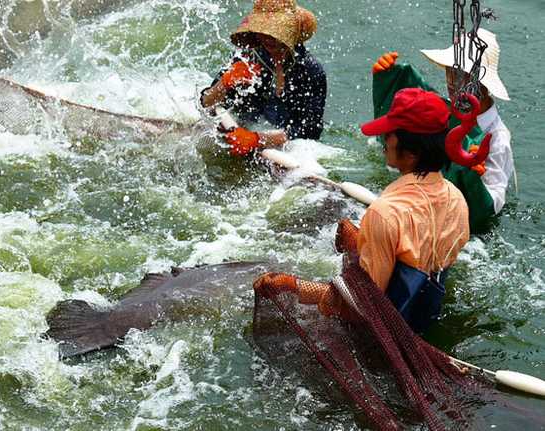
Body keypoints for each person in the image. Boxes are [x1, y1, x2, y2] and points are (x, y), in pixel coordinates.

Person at [253, 88, 470, 334]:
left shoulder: (384, 213)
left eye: (390, 134)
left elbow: (365, 305)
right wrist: (361, 243)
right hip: (425, 316)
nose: (384, 140)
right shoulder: (457, 199)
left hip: (383, 334)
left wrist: (295, 287)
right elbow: (418, 259)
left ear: (411, 152)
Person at [370, 28, 513, 233]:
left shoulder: (497, 139)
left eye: (462, 75)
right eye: (450, 72)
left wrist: (474, 181)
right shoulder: (443, 111)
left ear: (481, 82)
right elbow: (393, 142)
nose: (453, 83)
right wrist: (387, 80)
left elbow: (492, 206)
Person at [200, 0, 327, 156]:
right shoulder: (245, 57)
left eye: (276, 31)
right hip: (238, 129)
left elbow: (310, 130)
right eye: (263, 30)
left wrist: (256, 139)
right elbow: (206, 105)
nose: (268, 37)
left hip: (286, 145)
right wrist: (225, 82)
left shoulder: (311, 71)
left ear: (291, 33)